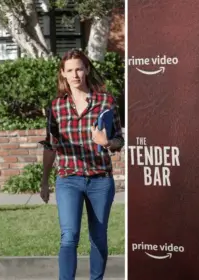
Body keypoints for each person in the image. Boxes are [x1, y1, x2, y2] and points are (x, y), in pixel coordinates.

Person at [39, 49, 124, 280]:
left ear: (86, 69)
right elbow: (50, 145)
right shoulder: (56, 107)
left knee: (98, 237)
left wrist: (107, 142)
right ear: (63, 74)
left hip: (100, 179)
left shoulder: (105, 101)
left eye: (79, 68)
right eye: (69, 70)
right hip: (68, 179)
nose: (75, 74)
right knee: (69, 236)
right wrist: (44, 181)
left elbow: (119, 141)